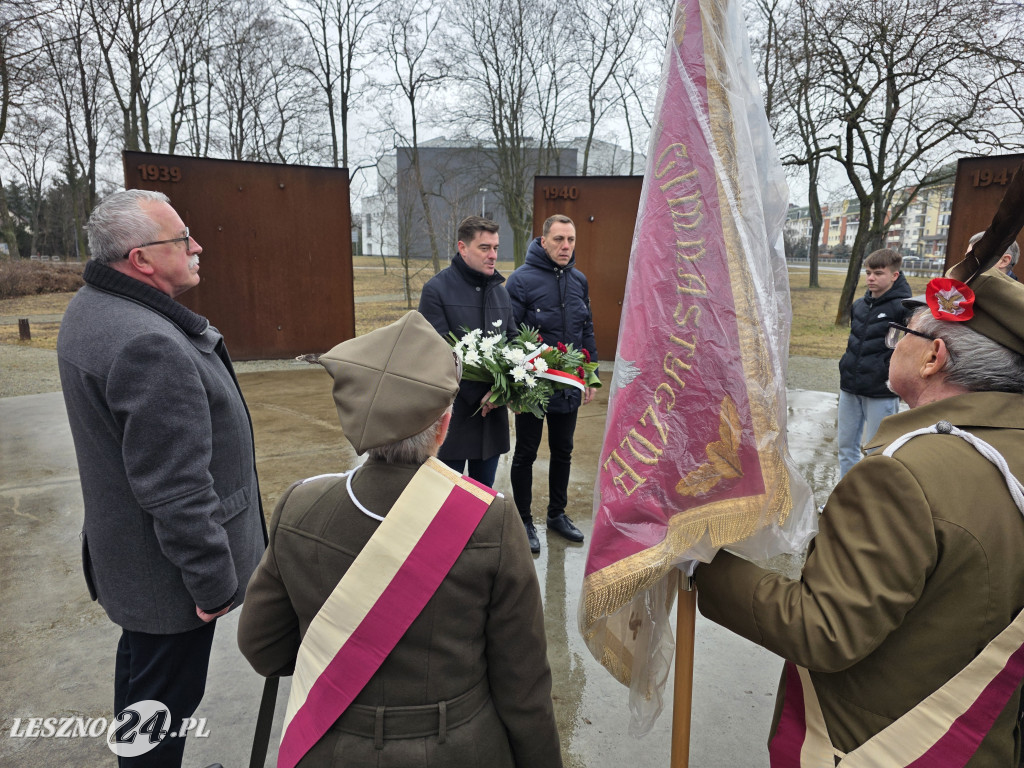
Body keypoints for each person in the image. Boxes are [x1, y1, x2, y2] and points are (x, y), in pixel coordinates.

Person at [695, 268, 1024, 766]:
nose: (895, 345)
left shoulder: (905, 476)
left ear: (936, 358)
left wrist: (700, 562)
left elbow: (822, 629)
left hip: (879, 746)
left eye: (904, 334)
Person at [237, 311, 562, 768]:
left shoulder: (300, 506)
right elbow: (523, 685)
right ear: (444, 428)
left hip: (332, 746)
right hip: (461, 750)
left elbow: (263, 649)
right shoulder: (493, 521)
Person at [57, 189, 266, 767]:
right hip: (167, 575)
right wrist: (212, 581)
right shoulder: (148, 341)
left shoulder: (94, 307)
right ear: (141, 259)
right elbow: (176, 487)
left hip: (135, 563)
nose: (197, 247)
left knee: (143, 688)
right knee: (165, 706)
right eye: (181, 239)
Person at [505, 214, 598, 552]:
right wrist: (514, 384)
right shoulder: (520, 281)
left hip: (567, 383)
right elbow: (509, 334)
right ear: (542, 241)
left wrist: (590, 375)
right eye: (559, 239)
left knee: (564, 451)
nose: (565, 246)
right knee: (526, 453)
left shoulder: (579, 281)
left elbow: (586, 328)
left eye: (570, 240)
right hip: (532, 386)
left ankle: (557, 515)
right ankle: (523, 520)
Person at [418, 216, 516, 487]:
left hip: (492, 419)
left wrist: (501, 392)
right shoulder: (436, 290)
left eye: (496, 248)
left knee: (482, 497)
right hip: (453, 419)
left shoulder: (500, 292)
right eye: (484, 248)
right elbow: (436, 355)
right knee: (444, 498)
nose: (493, 255)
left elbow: (515, 343)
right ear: (463, 248)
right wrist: (481, 396)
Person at [836, 248, 912, 477]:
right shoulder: (859, 305)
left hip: (881, 391)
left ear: (894, 275)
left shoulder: (905, 308)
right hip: (850, 386)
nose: (871, 278)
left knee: (877, 452)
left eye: (878, 273)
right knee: (845, 448)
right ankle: (845, 499)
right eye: (868, 272)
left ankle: (870, 507)